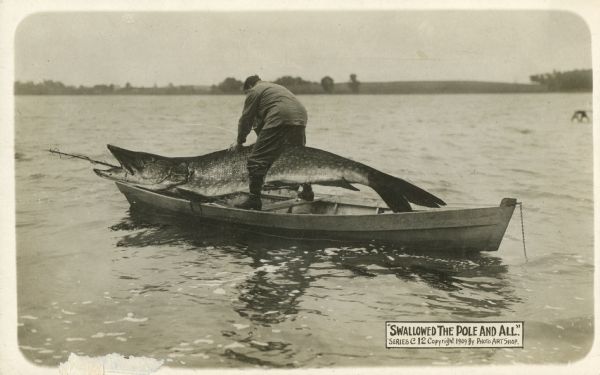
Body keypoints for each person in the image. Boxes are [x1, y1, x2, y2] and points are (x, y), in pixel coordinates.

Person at [229, 75, 313, 210]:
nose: (246, 95)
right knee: (297, 158)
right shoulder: (275, 88)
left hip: (280, 115)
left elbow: (246, 119)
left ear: (249, 86)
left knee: (255, 160)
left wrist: (239, 142)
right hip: (300, 117)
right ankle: (307, 192)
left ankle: (254, 200)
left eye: (245, 93)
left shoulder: (254, 91)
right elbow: (262, 128)